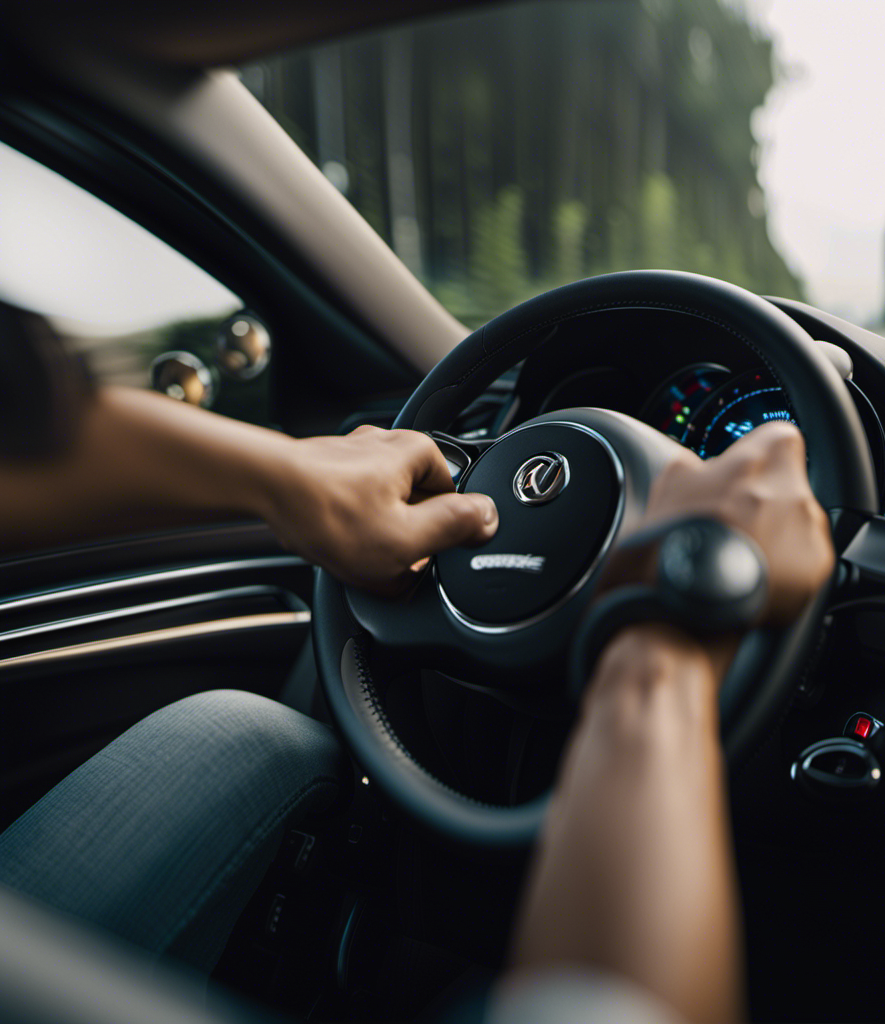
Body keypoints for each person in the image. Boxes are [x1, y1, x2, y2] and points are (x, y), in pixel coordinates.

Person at [0, 299, 833, 1022]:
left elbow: (26, 434)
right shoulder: (684, 605)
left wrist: (284, 475)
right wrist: (673, 621)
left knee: (248, 734)